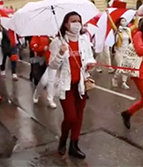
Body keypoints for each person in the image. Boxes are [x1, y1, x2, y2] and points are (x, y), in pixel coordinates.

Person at [49, 11, 95, 159]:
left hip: (80, 84)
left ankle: (74, 145)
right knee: (70, 117)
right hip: (66, 85)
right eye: (73, 21)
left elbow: (88, 57)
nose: (76, 23)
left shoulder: (84, 40)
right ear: (66, 24)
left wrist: (90, 64)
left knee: (79, 115)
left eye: (78, 21)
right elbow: (53, 65)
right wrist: (61, 53)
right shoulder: (58, 42)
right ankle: (63, 140)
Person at [109, 15, 138, 89]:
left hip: (126, 52)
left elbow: (135, 25)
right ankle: (115, 78)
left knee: (126, 68)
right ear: (119, 23)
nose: (124, 22)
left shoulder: (128, 30)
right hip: (119, 51)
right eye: (122, 21)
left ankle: (123, 82)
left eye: (125, 20)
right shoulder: (117, 30)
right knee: (120, 67)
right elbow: (112, 24)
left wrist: (136, 16)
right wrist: (108, 15)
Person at [30, 35, 57, 109]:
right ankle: (36, 93)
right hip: (43, 61)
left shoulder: (56, 35)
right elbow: (33, 46)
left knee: (51, 81)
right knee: (43, 81)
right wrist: (43, 48)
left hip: (54, 61)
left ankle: (50, 99)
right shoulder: (38, 35)